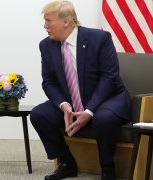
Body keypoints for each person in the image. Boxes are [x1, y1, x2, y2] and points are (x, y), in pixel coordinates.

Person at [30, 1, 131, 180]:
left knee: (104, 119)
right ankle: (67, 162)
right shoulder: (46, 45)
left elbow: (110, 78)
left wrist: (89, 110)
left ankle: (107, 168)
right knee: (39, 115)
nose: (45, 26)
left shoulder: (100, 39)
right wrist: (63, 104)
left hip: (107, 98)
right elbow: (48, 81)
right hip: (72, 101)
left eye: (48, 21)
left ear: (66, 22)